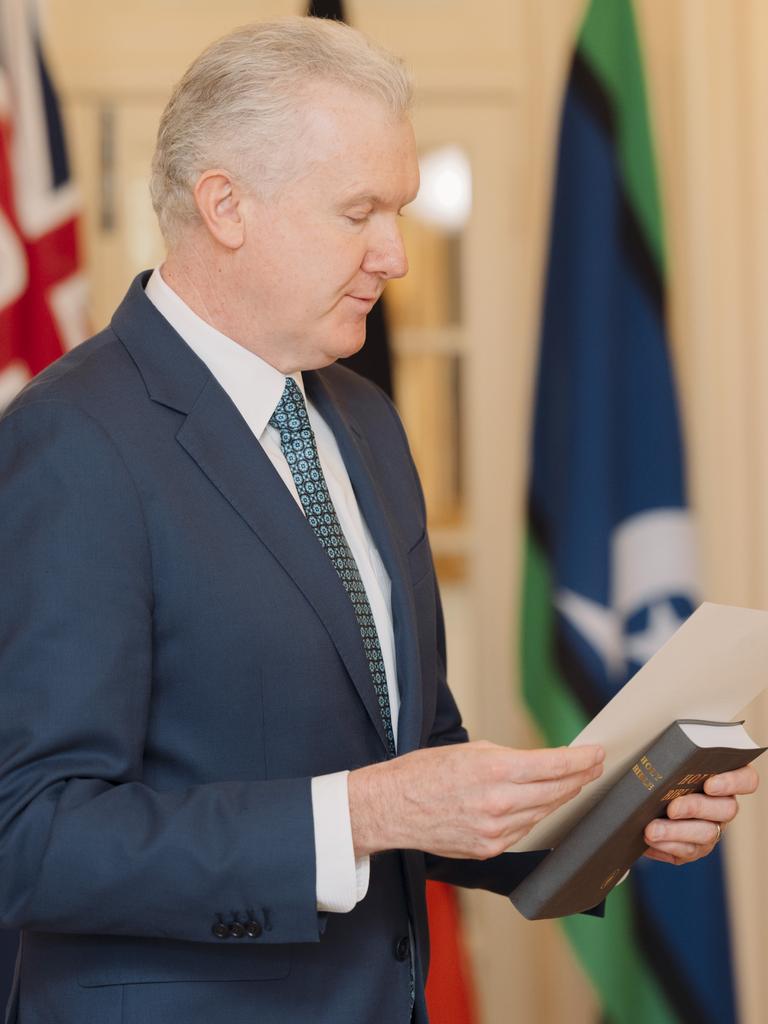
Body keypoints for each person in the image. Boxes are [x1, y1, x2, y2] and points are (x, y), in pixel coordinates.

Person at [0, 18, 756, 1024]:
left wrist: (609, 817)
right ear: (224, 205)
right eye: (359, 212)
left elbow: (416, 755)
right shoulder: (72, 440)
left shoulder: (361, 418)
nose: (396, 256)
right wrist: (362, 812)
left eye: (396, 210)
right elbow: (31, 833)